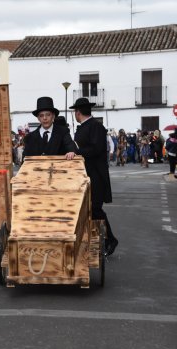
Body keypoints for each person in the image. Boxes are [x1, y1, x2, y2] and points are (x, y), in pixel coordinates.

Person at [66, 97, 118, 256]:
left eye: (75, 112)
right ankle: (97, 239)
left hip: (95, 175)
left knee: (95, 208)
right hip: (86, 175)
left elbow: (95, 149)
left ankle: (110, 239)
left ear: (78, 112)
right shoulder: (85, 127)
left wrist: (76, 152)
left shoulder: (95, 126)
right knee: (89, 210)